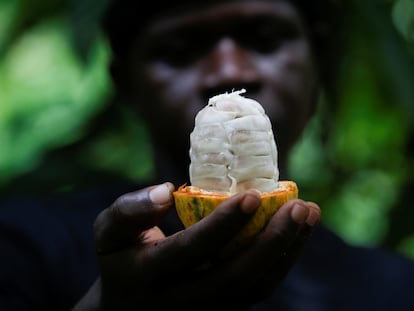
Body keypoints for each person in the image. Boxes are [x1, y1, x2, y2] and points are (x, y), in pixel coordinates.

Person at [1, 0, 414, 310]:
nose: (229, 72)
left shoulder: (396, 289)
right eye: (180, 48)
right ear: (125, 85)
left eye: (265, 40)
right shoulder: (22, 247)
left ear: (319, 65)